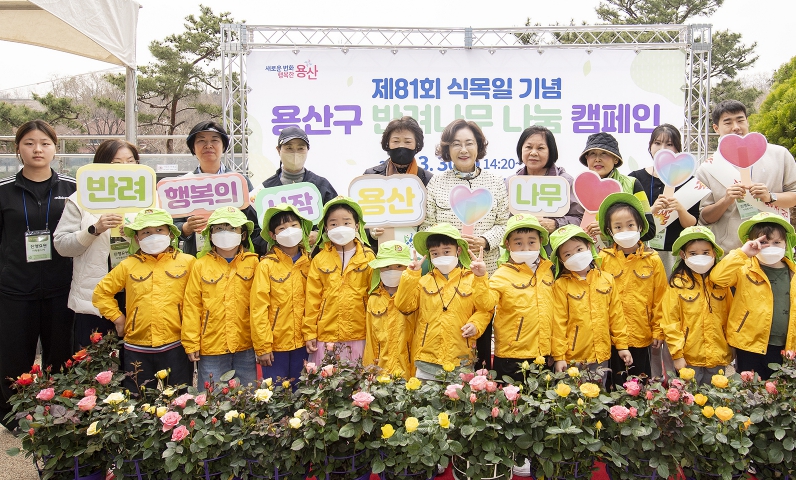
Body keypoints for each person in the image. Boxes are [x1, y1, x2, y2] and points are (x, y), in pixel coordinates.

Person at [0, 120, 77, 430]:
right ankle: (15, 416)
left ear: (55, 148)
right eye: (29, 143)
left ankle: (59, 413)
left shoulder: (72, 188)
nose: (37, 149)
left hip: (62, 286)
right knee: (14, 355)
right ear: (18, 148)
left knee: (61, 355)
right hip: (15, 288)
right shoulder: (4, 192)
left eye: (44, 143)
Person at [421, 119, 509, 369]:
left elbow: (504, 224)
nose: (463, 149)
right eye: (456, 144)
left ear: (479, 147)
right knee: (449, 328)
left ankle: (481, 387)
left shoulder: (495, 182)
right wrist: (451, 243)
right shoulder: (437, 183)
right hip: (446, 274)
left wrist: (484, 240)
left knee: (481, 328)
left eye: (469, 143)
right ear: (447, 150)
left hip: (484, 272)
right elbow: (427, 226)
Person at [92, 208, 195, 391]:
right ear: (137, 238)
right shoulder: (128, 265)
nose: (153, 236)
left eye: (159, 230)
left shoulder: (188, 262)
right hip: (137, 346)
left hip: (176, 344)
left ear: (170, 234)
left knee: (179, 400)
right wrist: (118, 318)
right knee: (139, 401)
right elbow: (101, 293)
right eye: (146, 232)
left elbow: (199, 298)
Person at [54, 139, 140, 351]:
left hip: (137, 295)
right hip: (93, 301)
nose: (125, 168)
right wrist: (94, 229)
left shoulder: (147, 198)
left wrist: (140, 235)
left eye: (131, 161)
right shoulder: (81, 199)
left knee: (135, 371)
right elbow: (62, 245)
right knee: (96, 370)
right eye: (116, 163)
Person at [394, 223, 492, 380]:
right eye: (435, 253)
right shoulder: (423, 281)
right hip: (427, 359)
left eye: (446, 251)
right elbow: (404, 306)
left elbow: (485, 308)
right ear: (430, 256)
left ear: (458, 251)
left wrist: (476, 324)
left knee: (459, 402)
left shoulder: (472, 279)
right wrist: (410, 276)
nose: (441, 257)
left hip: (461, 358)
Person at [696, 100, 796, 252]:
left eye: (740, 120)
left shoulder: (779, 155)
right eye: (728, 122)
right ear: (716, 128)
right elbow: (704, 217)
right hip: (731, 252)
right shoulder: (707, 168)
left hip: (774, 250)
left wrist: (770, 197)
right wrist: (726, 200)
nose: (736, 127)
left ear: (747, 121)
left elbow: (793, 196)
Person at [709, 212, 796, 380]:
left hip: (785, 346)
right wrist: (743, 253)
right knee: (750, 391)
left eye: (777, 242)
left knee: (780, 392)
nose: (770, 247)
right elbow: (718, 277)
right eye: (764, 242)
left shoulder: (792, 272)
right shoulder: (744, 268)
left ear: (786, 244)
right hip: (749, 345)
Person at [182, 207, 260, 389]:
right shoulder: (200, 265)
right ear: (210, 235)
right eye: (219, 229)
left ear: (243, 234)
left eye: (233, 228)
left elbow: (263, 304)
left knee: (248, 401)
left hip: (246, 344)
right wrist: (191, 342)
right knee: (211, 403)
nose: (226, 233)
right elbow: (192, 305)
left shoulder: (254, 263)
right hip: (211, 346)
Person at [597, 193, 667, 383]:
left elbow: (661, 297)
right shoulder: (602, 259)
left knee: (639, 384)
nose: (625, 230)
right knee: (611, 384)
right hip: (610, 337)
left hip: (641, 333)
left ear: (640, 227)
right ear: (609, 231)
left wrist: (658, 330)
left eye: (630, 225)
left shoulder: (652, 260)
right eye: (618, 227)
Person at [176, 121, 267, 256]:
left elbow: (255, 222)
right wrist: (185, 228)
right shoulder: (182, 184)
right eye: (201, 141)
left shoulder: (239, 182)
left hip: (236, 260)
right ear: (193, 148)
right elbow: (169, 224)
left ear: (224, 146)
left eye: (215, 140)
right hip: (197, 259)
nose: (208, 145)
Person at [550, 225, 632, 374]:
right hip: (572, 359)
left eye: (579, 250)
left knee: (599, 393)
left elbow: (617, 316)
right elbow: (558, 323)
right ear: (561, 261)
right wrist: (559, 356)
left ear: (589, 246)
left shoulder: (607, 279)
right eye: (567, 254)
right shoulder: (561, 285)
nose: (575, 255)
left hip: (601, 356)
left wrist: (622, 346)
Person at [303, 197, 375, 364]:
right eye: (334, 224)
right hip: (327, 335)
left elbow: (375, 296)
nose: (340, 228)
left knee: (359, 386)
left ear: (356, 226)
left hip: (360, 333)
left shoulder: (368, 257)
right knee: (329, 385)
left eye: (346, 222)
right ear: (325, 228)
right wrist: (310, 333)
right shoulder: (319, 259)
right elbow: (312, 300)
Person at [661, 226, 732, 384]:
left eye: (706, 252)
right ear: (683, 255)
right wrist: (677, 355)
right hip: (689, 359)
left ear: (714, 253)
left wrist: (731, 348)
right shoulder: (677, 284)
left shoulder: (722, 284)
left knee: (715, 402)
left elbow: (731, 316)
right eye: (693, 253)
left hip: (718, 355)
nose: (700, 257)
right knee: (689, 403)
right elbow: (670, 322)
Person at [250, 203, 313, 383]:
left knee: (303, 393)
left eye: (294, 226)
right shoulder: (266, 265)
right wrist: (263, 346)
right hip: (275, 346)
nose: (289, 231)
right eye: (282, 228)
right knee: (276, 396)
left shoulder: (311, 263)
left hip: (304, 343)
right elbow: (258, 308)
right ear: (273, 235)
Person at [488, 215, 555, 382]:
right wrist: (481, 279)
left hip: (544, 354)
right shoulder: (500, 275)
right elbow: (486, 304)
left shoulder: (548, 271)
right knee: (511, 404)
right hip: (511, 356)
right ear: (508, 245)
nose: (526, 248)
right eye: (518, 243)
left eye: (531, 242)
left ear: (540, 242)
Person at [628, 124, 698, 272]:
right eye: (657, 143)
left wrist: (680, 209)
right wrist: (652, 210)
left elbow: (692, 224)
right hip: (642, 251)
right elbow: (628, 219)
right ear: (650, 146)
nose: (662, 149)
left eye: (669, 144)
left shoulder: (690, 182)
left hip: (677, 252)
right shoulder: (635, 178)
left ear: (677, 149)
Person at [262, 126, 338, 247]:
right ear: (278, 150)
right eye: (289, 148)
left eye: (300, 148)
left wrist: (320, 235)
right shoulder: (265, 190)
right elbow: (255, 230)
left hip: (317, 260)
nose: (295, 153)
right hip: (278, 261)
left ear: (307, 150)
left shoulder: (321, 186)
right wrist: (276, 240)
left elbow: (338, 221)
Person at [365, 116, 433, 246]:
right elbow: (359, 219)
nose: (401, 146)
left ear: (417, 145)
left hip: (417, 252)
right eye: (396, 141)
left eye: (408, 142)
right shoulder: (371, 177)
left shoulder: (429, 179)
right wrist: (371, 232)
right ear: (387, 144)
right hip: (381, 252)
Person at [580, 132, 656, 243]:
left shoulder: (632, 184)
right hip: (589, 256)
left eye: (604, 153)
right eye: (592, 154)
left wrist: (607, 230)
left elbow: (649, 231)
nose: (597, 159)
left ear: (616, 159)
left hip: (625, 257)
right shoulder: (579, 187)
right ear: (586, 158)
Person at [510, 126, 584, 233]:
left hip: (556, 247)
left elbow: (580, 219)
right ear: (520, 149)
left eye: (540, 148)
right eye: (528, 147)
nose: (533, 153)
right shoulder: (511, 183)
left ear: (551, 151)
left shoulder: (565, 182)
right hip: (521, 248)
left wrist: (557, 224)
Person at [363, 240, 416, 378]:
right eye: (386, 266)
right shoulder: (374, 299)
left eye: (399, 266)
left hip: (409, 372)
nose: (392, 271)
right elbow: (370, 340)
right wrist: (368, 373)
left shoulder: (417, 294)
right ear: (378, 269)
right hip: (381, 372)